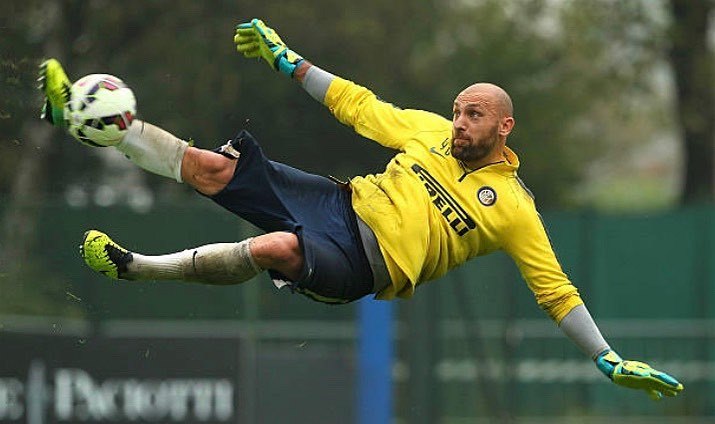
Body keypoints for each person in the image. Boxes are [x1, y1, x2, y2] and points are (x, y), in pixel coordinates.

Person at [39, 18, 683, 399]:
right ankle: (85, 120)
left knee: (274, 249)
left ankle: (135, 268)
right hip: (340, 202)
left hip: (363, 265)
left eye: (474, 114)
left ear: (504, 126)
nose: (460, 121)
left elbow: (556, 292)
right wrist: (289, 61)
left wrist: (605, 358)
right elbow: (359, 105)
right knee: (215, 168)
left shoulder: (513, 209)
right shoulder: (430, 132)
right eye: (458, 111)